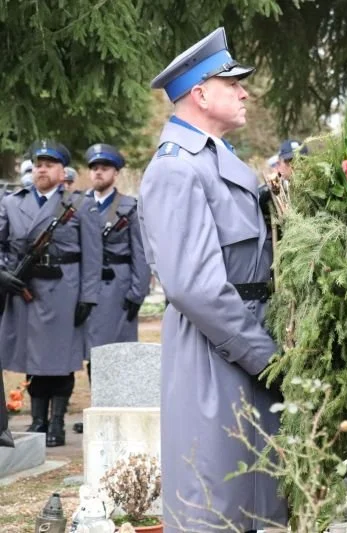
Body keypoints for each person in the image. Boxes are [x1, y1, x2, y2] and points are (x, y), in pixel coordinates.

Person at [139, 27, 285, 531]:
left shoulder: (215, 158)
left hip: (243, 345)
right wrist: (267, 358)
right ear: (200, 93)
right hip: (218, 354)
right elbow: (195, 287)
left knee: (256, 503)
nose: (245, 92)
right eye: (233, 84)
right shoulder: (176, 169)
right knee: (216, 504)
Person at [0, 140, 101, 448]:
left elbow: (93, 255)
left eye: (49, 164)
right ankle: (37, 420)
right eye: (38, 164)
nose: (42, 169)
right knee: (34, 358)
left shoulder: (80, 204)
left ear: (62, 171)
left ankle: (57, 423)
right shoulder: (10, 202)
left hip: (64, 289)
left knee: (61, 359)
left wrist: (89, 296)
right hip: (25, 288)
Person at [84, 144, 150, 348]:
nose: (99, 172)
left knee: (116, 349)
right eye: (95, 168)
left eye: (105, 168)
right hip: (86, 286)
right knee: (88, 348)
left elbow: (140, 253)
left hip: (116, 287)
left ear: (116, 172)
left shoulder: (129, 207)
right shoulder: (78, 206)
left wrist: (137, 293)